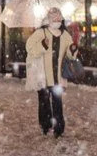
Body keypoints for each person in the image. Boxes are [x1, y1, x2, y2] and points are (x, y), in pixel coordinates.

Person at [24, 7, 77, 138]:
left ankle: (59, 128)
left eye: (59, 19)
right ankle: (45, 125)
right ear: (49, 20)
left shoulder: (65, 35)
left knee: (57, 103)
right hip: (42, 75)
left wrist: (73, 50)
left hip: (58, 77)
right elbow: (29, 48)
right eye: (55, 19)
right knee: (44, 102)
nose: (57, 21)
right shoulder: (41, 32)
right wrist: (42, 45)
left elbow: (70, 55)